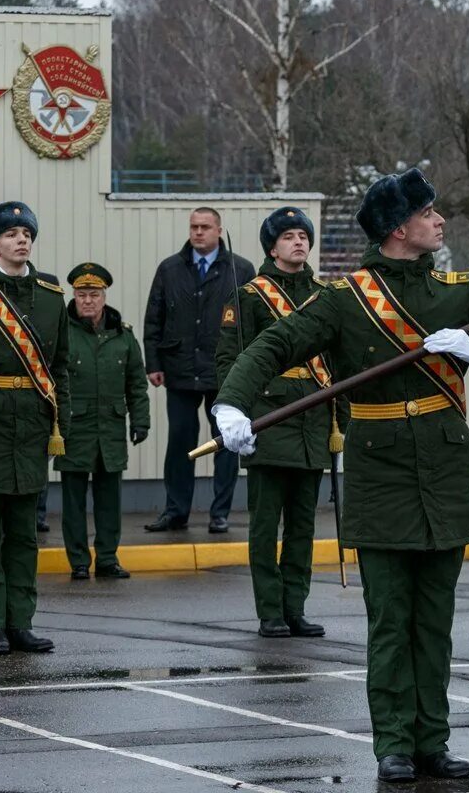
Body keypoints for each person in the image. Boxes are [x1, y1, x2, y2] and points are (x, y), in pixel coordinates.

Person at [211, 168, 469, 782]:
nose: (440, 221)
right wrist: (232, 403)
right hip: (380, 469)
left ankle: (433, 743)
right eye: (429, 213)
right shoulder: (346, 298)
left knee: (436, 622)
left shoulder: (452, 291)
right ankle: (393, 742)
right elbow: (272, 346)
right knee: (390, 621)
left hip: (444, 470)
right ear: (400, 228)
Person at [215, 207, 338, 638]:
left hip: (313, 420)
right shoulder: (249, 295)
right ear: (273, 246)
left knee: (303, 526)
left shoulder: (326, 294)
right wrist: (234, 413)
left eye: (304, 235)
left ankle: (295, 607)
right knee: (266, 526)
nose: (299, 242)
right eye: (288, 236)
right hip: (268, 418)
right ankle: (270, 610)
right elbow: (230, 360)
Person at [0, 202, 69, 655]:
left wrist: (63, 426)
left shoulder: (51, 296)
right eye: (12, 233)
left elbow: (59, 370)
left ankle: (21, 621)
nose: (22, 239)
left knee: (23, 535)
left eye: (27, 233)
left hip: (32, 428)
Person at [143, 207, 254, 534]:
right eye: (194, 226)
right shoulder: (170, 268)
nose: (198, 232)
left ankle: (220, 513)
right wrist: (154, 364)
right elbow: (154, 318)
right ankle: (175, 512)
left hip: (223, 371)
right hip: (178, 369)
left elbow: (251, 322)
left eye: (205, 227)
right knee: (179, 441)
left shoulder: (241, 269)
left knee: (226, 442)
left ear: (219, 230)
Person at [56, 263, 150, 580]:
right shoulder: (62, 333)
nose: (87, 301)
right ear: (74, 295)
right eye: (81, 294)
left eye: (94, 294)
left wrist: (141, 421)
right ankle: (79, 562)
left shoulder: (122, 336)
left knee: (109, 501)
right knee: (73, 502)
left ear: (104, 296)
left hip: (110, 430)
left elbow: (137, 383)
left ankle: (107, 558)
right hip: (74, 429)